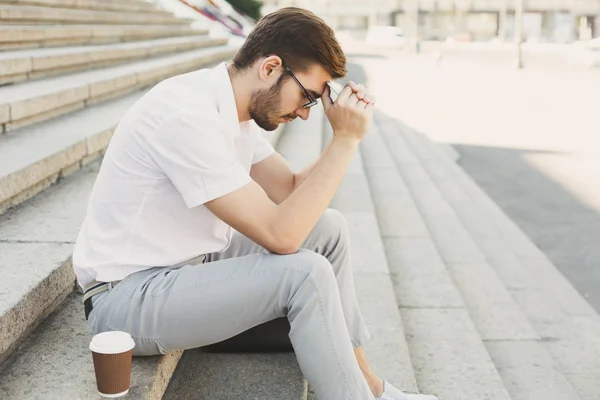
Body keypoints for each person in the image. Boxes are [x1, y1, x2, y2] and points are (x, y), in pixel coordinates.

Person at [73, 7, 438, 400]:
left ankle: (369, 386)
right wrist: (346, 142)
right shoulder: (186, 116)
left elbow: (291, 189)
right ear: (270, 68)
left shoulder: (234, 108)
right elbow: (281, 236)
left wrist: (342, 137)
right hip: (126, 297)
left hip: (186, 266)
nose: (302, 113)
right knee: (304, 273)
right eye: (307, 96)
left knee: (328, 230)